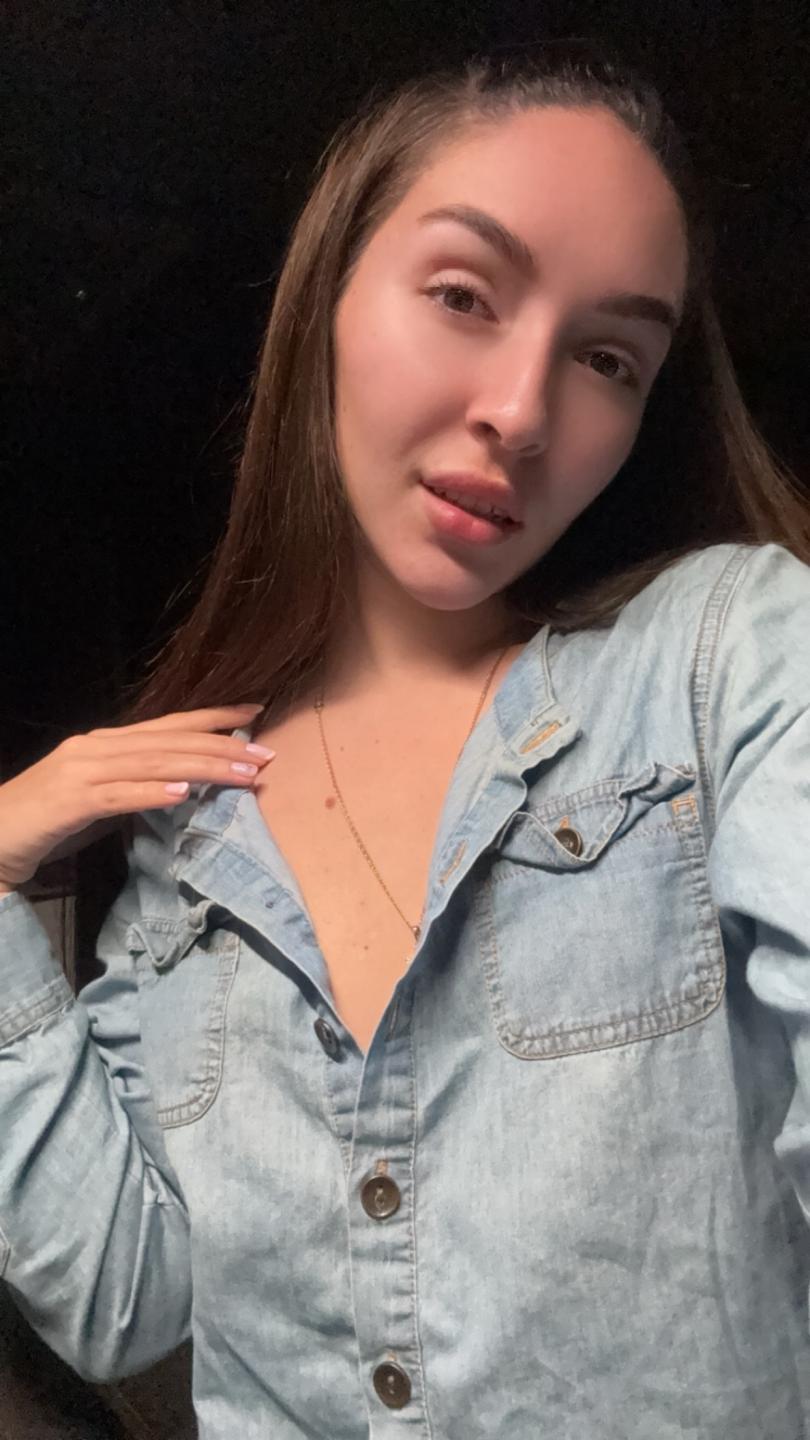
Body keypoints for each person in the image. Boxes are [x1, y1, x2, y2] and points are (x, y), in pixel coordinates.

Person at [1, 41, 809, 1440]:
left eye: (608, 358)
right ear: (326, 297)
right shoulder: (189, 833)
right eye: (462, 295)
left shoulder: (726, 655)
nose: (521, 411)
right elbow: (126, 1298)